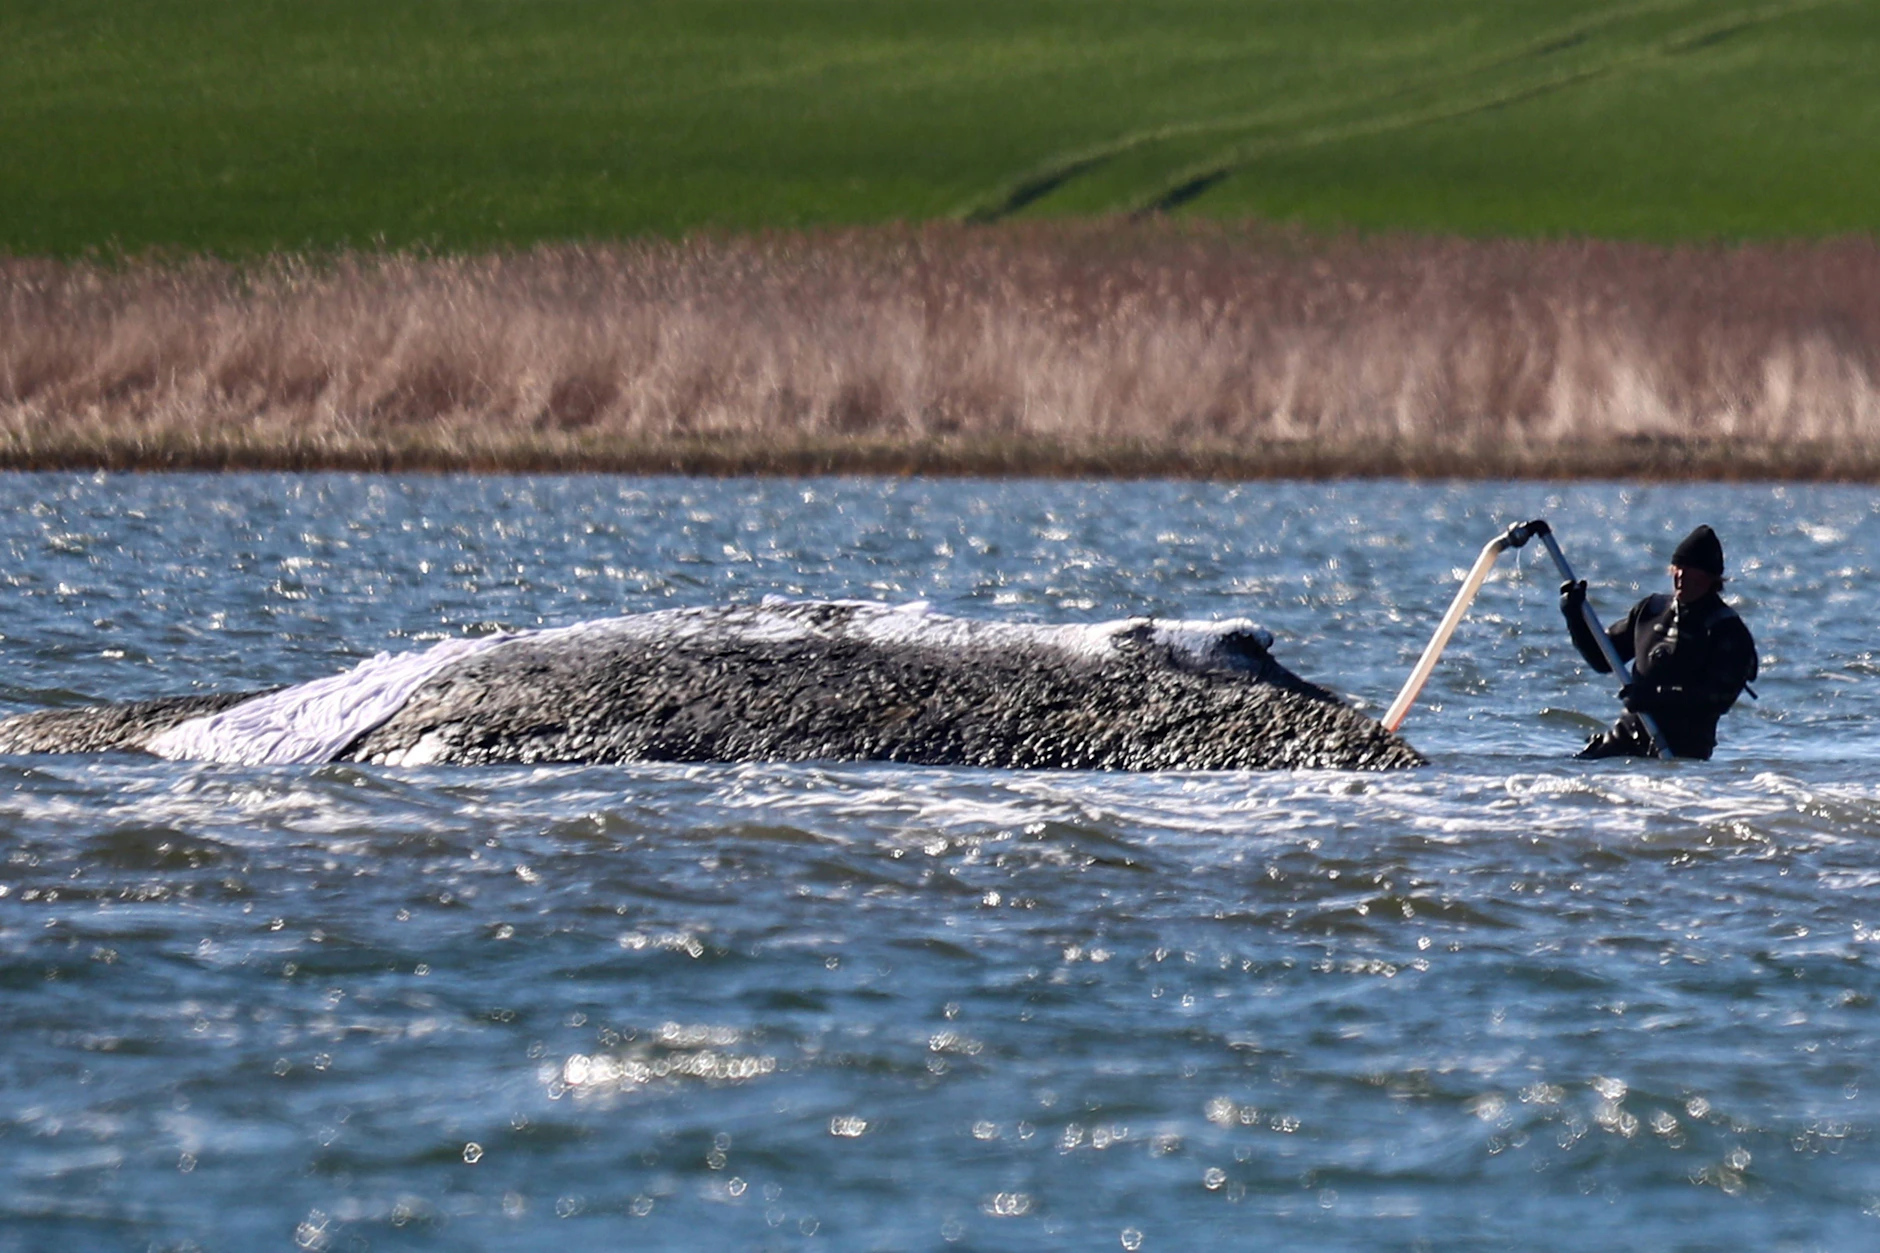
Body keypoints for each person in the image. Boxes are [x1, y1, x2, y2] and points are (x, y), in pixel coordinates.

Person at [1559, 524, 1757, 760]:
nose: (1681, 576)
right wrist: (1575, 618)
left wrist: (1656, 697)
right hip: (1625, 739)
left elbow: (1718, 699)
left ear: (1711, 577)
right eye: (1678, 567)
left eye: (1691, 569)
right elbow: (1602, 660)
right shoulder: (1650, 610)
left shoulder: (1727, 629)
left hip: (1678, 752)